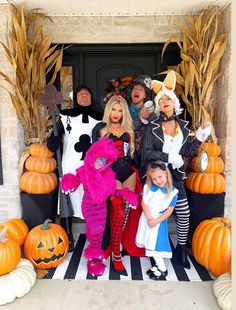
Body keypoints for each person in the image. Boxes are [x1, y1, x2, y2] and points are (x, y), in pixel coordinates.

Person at [142, 70, 212, 269]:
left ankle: (181, 248)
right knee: (154, 213)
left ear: (174, 102)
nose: (165, 101)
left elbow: (186, 153)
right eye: (161, 99)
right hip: (157, 174)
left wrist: (199, 137)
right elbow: (146, 152)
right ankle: (153, 249)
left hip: (176, 177)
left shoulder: (183, 126)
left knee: (183, 212)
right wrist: (167, 157)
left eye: (168, 98)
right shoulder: (152, 126)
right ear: (158, 104)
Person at [60, 137, 137, 277]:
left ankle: (94, 257)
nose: (99, 163)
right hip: (89, 206)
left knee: (97, 233)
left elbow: (113, 191)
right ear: (92, 156)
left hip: (101, 208)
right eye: (98, 159)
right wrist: (68, 183)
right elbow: (76, 180)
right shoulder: (84, 171)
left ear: (108, 162)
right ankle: (93, 258)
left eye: (104, 161)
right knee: (96, 229)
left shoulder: (108, 175)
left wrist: (126, 195)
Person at [47, 84, 102, 251]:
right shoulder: (64, 116)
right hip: (70, 164)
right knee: (67, 200)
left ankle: (95, 237)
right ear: (75, 98)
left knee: (92, 200)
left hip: (91, 166)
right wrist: (53, 142)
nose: (84, 96)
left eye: (87, 94)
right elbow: (55, 135)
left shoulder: (101, 117)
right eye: (80, 94)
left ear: (91, 98)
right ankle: (67, 235)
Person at [92, 94, 137, 276]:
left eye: (120, 110)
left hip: (128, 170)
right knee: (117, 208)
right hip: (111, 171)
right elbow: (95, 158)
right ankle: (116, 254)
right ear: (108, 110)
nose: (116, 113)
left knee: (125, 211)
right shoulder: (100, 129)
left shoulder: (128, 130)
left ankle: (115, 244)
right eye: (113, 109)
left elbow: (133, 155)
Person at [136, 160, 178, 280]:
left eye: (160, 177)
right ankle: (157, 266)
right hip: (147, 219)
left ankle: (163, 270)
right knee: (149, 243)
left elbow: (169, 211)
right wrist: (149, 218)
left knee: (156, 246)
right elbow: (144, 203)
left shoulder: (172, 192)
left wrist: (155, 221)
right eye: (154, 179)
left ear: (166, 174)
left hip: (158, 223)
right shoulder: (149, 188)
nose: (158, 181)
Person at [126, 76, 155, 176]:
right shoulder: (124, 109)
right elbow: (127, 128)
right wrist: (140, 117)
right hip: (128, 156)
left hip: (146, 157)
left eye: (140, 89)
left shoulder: (153, 113)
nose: (137, 91)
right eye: (135, 89)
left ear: (145, 95)